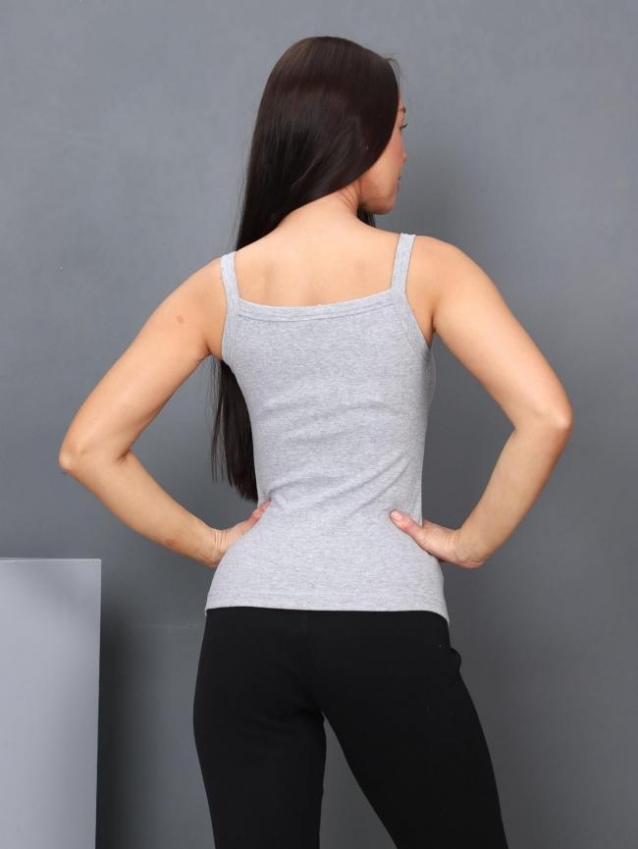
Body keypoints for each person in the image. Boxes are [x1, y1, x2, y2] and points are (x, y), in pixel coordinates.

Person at [58, 34, 573, 849]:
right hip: (383, 615)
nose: (405, 152)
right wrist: (470, 541)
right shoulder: (426, 269)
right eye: (398, 130)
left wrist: (215, 545)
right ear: (358, 135)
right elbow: (546, 414)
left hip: (246, 627)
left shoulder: (220, 286)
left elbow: (87, 447)